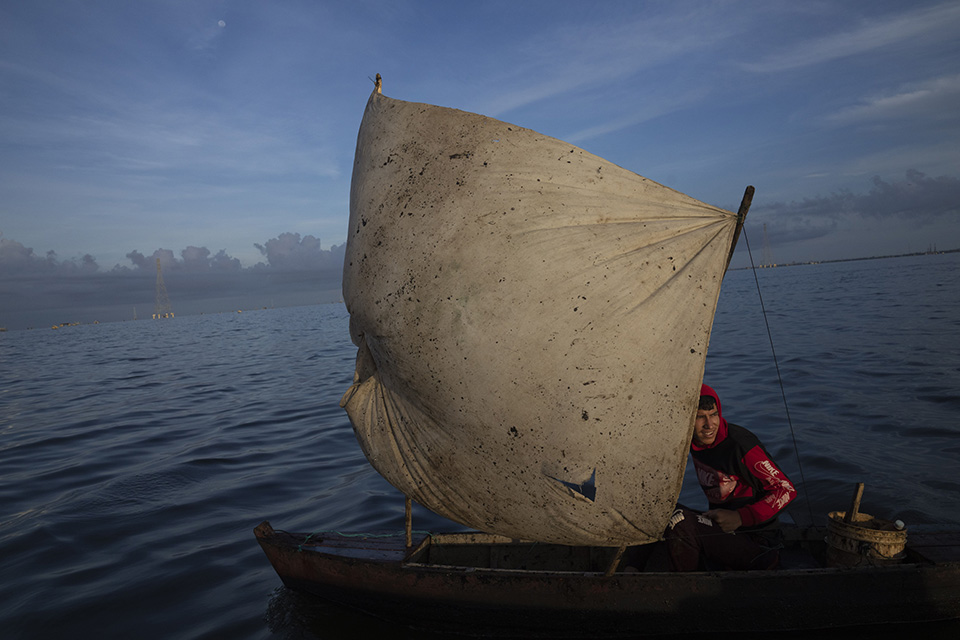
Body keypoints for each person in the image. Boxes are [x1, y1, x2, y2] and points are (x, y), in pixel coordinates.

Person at [664, 383, 797, 571]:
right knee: (663, 510)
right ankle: (633, 568)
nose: (709, 425)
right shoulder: (692, 441)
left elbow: (786, 490)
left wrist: (740, 517)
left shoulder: (739, 445)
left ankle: (685, 589)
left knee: (681, 522)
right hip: (724, 532)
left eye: (714, 415)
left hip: (758, 542)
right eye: (700, 417)